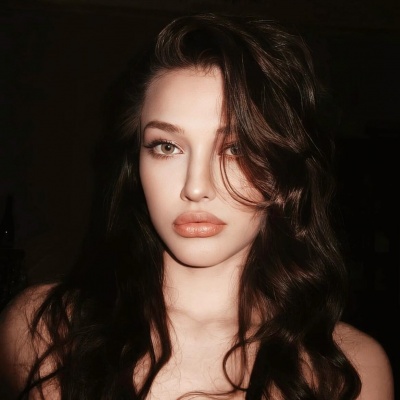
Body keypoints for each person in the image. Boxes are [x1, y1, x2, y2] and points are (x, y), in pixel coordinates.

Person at [0, 12, 394, 400]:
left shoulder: (351, 372)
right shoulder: (42, 332)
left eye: (237, 149)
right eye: (167, 147)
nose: (196, 187)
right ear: (136, 165)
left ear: (283, 174)